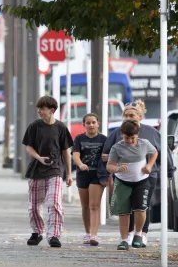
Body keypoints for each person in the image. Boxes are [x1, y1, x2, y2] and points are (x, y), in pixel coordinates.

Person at [97, 100, 170, 246]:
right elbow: (107, 154)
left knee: (142, 205)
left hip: (147, 175)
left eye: (132, 115)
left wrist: (167, 169)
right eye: (126, 115)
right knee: (125, 207)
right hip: (123, 177)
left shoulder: (150, 133)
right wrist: (110, 167)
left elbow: (160, 151)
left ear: (140, 116)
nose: (129, 118)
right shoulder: (118, 133)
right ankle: (127, 235)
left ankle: (142, 234)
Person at [22, 96, 74, 248]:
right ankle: (37, 231)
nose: (39, 111)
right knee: (34, 206)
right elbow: (29, 147)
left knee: (54, 202)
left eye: (42, 109)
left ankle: (54, 235)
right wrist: (39, 158)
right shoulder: (34, 126)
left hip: (55, 169)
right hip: (36, 169)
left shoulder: (61, 128)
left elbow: (66, 151)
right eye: (38, 109)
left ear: (51, 110)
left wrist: (69, 174)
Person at [106, 120, 158, 250]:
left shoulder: (144, 144)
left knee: (140, 209)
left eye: (132, 138)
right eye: (126, 137)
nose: (129, 141)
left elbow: (154, 152)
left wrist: (149, 165)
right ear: (121, 134)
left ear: (137, 134)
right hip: (123, 182)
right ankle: (124, 239)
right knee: (123, 212)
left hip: (141, 181)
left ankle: (138, 234)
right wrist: (117, 169)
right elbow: (109, 165)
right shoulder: (117, 148)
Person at [72, 113, 108, 246]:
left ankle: (94, 234)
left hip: (97, 175)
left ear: (98, 124)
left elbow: (108, 154)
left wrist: (107, 158)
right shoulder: (79, 139)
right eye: (88, 123)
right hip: (83, 174)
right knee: (85, 206)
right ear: (84, 125)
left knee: (94, 205)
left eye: (93, 122)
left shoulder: (104, 139)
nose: (91, 125)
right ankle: (87, 233)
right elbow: (75, 155)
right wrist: (80, 164)